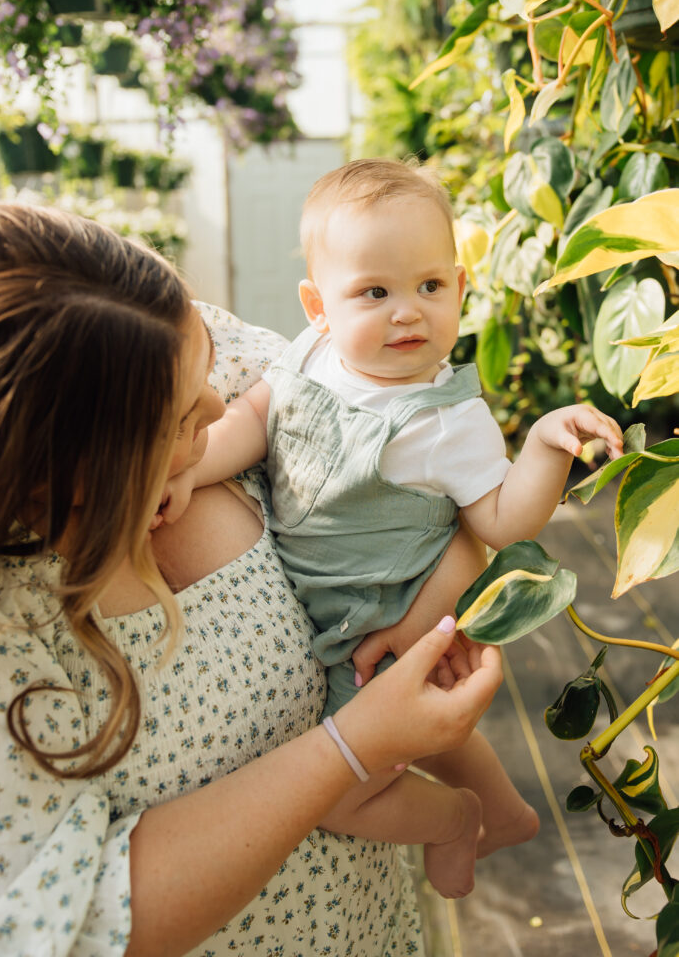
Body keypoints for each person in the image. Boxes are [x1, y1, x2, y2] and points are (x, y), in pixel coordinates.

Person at [0, 202, 505, 957]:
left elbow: (443, 489)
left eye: (199, 361)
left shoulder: (171, 351)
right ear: (68, 475)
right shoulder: (16, 628)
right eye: (174, 422)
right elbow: (68, 921)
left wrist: (430, 606)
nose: (215, 400)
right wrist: (355, 745)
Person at [164, 158, 625, 900]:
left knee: (344, 794)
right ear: (318, 307)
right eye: (374, 292)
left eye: (429, 287)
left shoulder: (446, 418)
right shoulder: (308, 359)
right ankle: (504, 812)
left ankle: (453, 819)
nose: (407, 312)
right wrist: (187, 468)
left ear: (459, 289)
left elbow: (504, 522)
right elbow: (253, 419)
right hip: (320, 606)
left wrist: (541, 444)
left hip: (375, 626)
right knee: (428, 739)